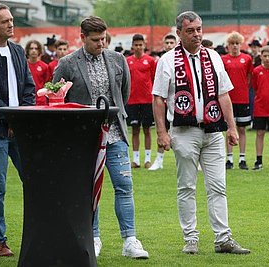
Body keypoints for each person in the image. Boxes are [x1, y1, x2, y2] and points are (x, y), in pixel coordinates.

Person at [152, 11, 250, 255]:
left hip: (214, 130)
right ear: (179, 33)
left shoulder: (214, 57)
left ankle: (223, 238)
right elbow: (159, 98)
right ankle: (191, 238)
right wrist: (162, 132)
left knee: (218, 186)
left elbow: (223, 93)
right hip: (184, 131)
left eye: (198, 29)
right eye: (190, 31)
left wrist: (231, 127)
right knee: (186, 186)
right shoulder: (167, 60)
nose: (196, 34)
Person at [53, 15, 149, 259]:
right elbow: (56, 99)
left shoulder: (118, 60)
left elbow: (122, 94)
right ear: (82, 37)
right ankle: (93, 238)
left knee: (124, 186)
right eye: (96, 40)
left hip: (115, 135)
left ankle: (130, 240)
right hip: (83, 140)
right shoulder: (67, 63)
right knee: (88, 190)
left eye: (104, 39)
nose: (101, 44)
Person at [0, 2, 35, 257]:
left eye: (11, 20)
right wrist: (10, 119)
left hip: (21, 130)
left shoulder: (18, 51)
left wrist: (22, 117)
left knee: (35, 180)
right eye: (5, 21)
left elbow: (29, 86)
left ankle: (39, 233)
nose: (11, 24)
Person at [221, 31, 253, 170]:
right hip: (228, 100)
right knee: (229, 129)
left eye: (237, 43)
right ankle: (229, 159)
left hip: (242, 99)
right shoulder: (223, 59)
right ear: (228, 45)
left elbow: (249, 77)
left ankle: (242, 158)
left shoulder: (247, 59)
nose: (234, 46)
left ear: (241, 44)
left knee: (241, 129)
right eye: (232, 44)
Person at [126, 34, 156, 168]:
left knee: (147, 130)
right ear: (132, 46)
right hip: (132, 101)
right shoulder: (127, 61)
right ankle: (136, 159)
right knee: (135, 130)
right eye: (136, 45)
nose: (138, 47)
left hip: (147, 101)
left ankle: (147, 159)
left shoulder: (150, 61)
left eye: (140, 45)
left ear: (144, 45)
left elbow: (154, 79)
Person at [149, 34, 178, 171]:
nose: (169, 45)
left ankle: (198, 162)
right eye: (167, 42)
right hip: (163, 102)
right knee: (162, 129)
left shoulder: (180, 60)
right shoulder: (160, 61)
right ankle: (159, 160)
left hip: (177, 103)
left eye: (172, 42)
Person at [25, 40, 50, 105]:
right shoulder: (23, 65)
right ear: (27, 50)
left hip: (41, 100)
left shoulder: (45, 66)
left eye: (36, 48)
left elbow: (46, 84)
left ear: (39, 51)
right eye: (31, 48)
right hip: (26, 99)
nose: (33, 50)